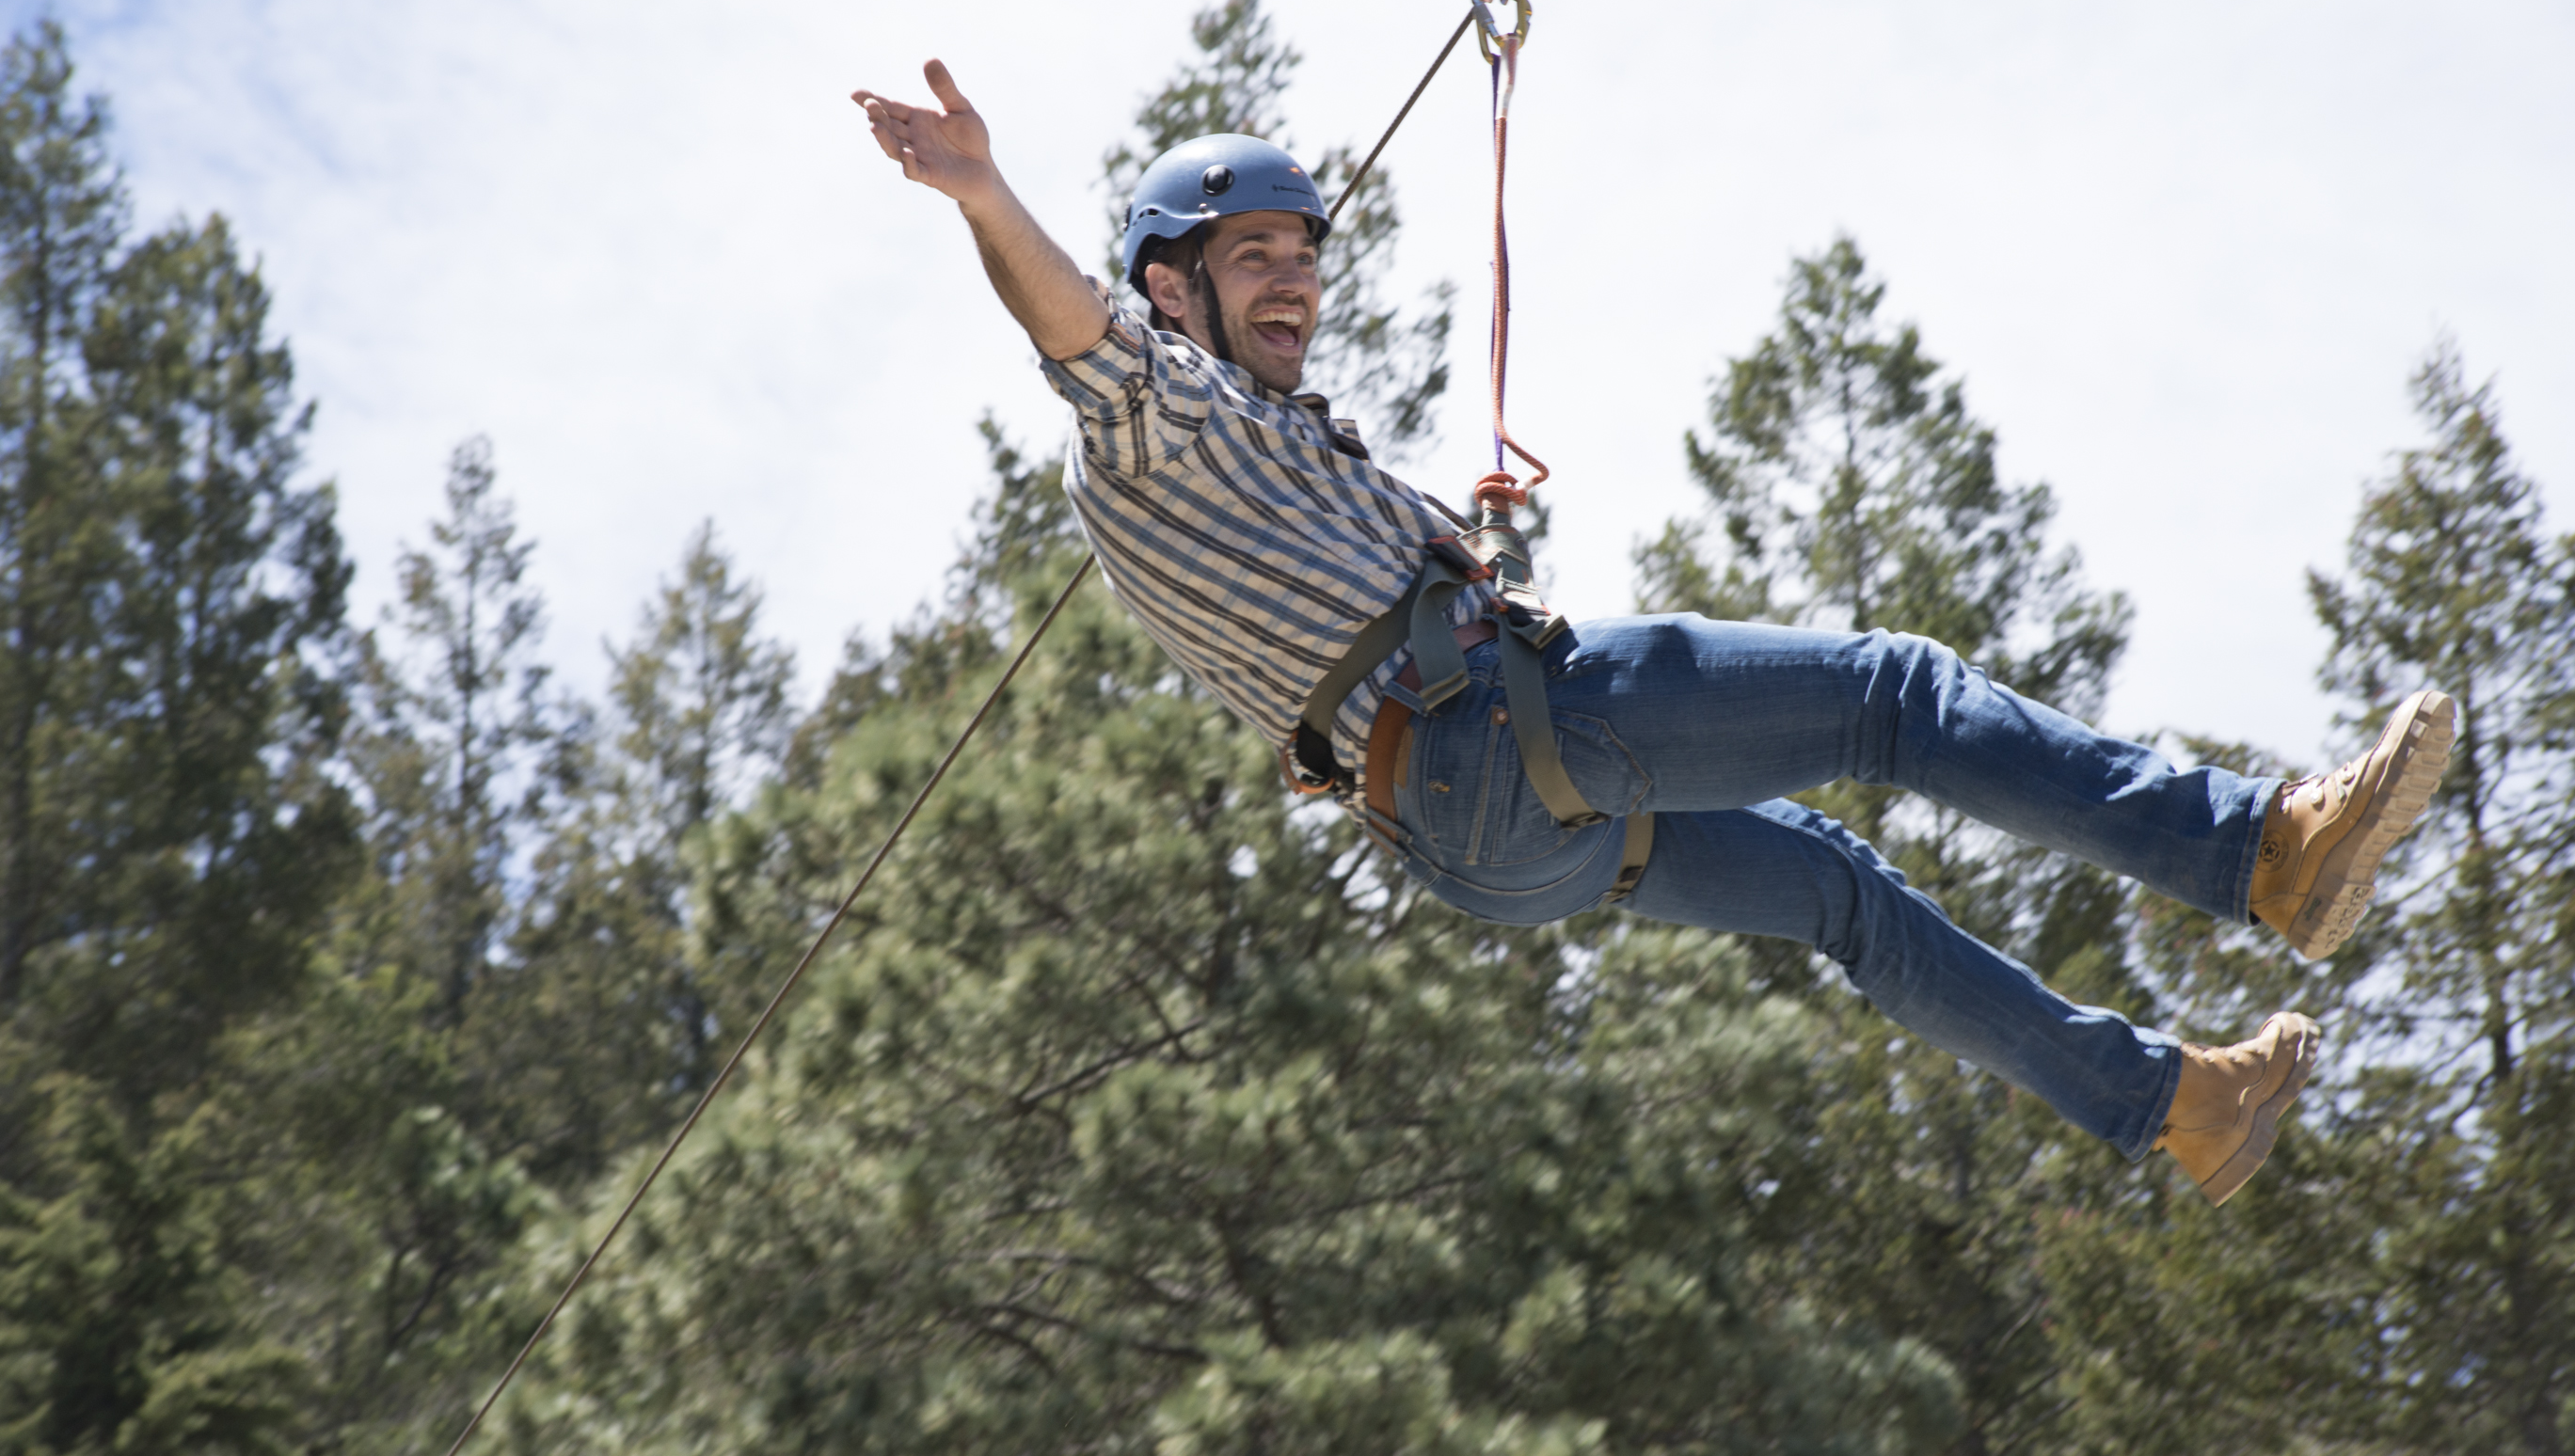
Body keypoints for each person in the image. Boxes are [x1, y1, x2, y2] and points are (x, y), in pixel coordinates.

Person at [851, 60, 2456, 1207]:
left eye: (1305, 259)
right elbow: (1076, 334)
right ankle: (2256, 852)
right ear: (1170, 288)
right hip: (1489, 741)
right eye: (1252, 258)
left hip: (1477, 843)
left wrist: (1454, 547)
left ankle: (2175, 1109)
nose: (1295, 285)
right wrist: (985, 193)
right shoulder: (1157, 420)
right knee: (1889, 694)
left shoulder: (1276, 454)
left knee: (1842, 895)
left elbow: (1351, 612)